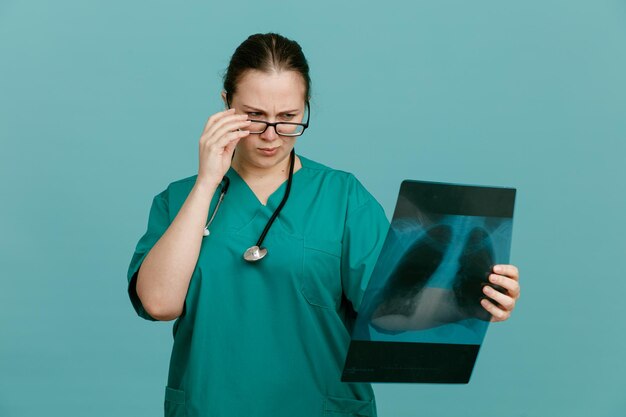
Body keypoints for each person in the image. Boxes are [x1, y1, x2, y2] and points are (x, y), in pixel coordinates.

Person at [126, 32, 521, 417]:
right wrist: (208, 180)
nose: (271, 135)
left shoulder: (343, 197)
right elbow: (160, 303)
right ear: (225, 104)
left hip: (318, 404)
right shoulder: (179, 200)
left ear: (306, 106)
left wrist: (473, 300)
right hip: (211, 404)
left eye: (288, 118)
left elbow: (391, 307)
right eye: (254, 117)